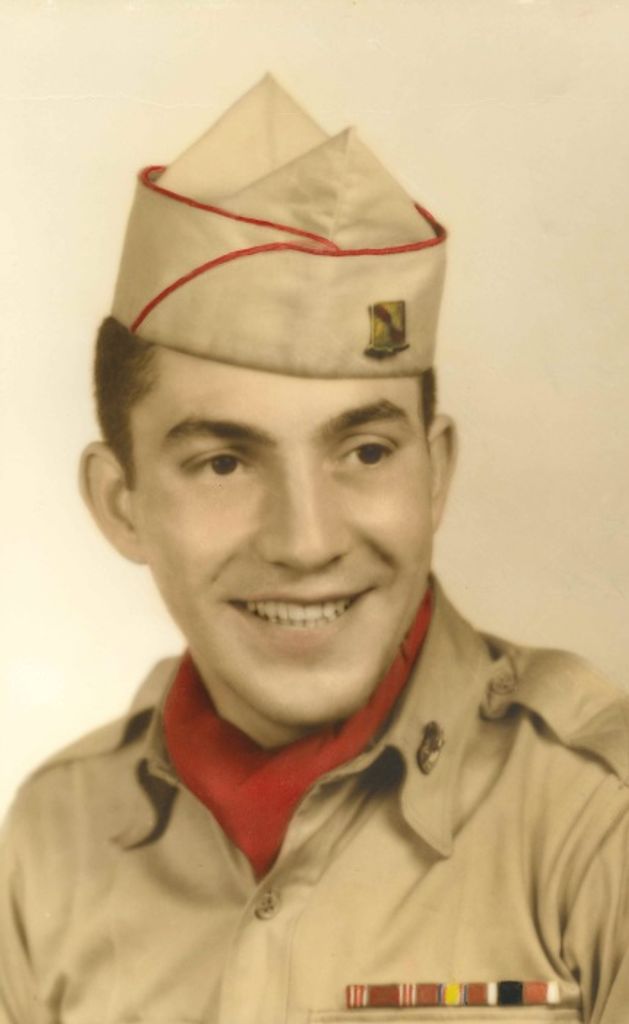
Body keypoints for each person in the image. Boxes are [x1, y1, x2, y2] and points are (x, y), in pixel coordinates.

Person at [1, 74, 628, 1024]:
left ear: (434, 473)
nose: (307, 542)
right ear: (121, 505)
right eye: (222, 462)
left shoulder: (599, 822)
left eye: (365, 452)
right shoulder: (51, 841)